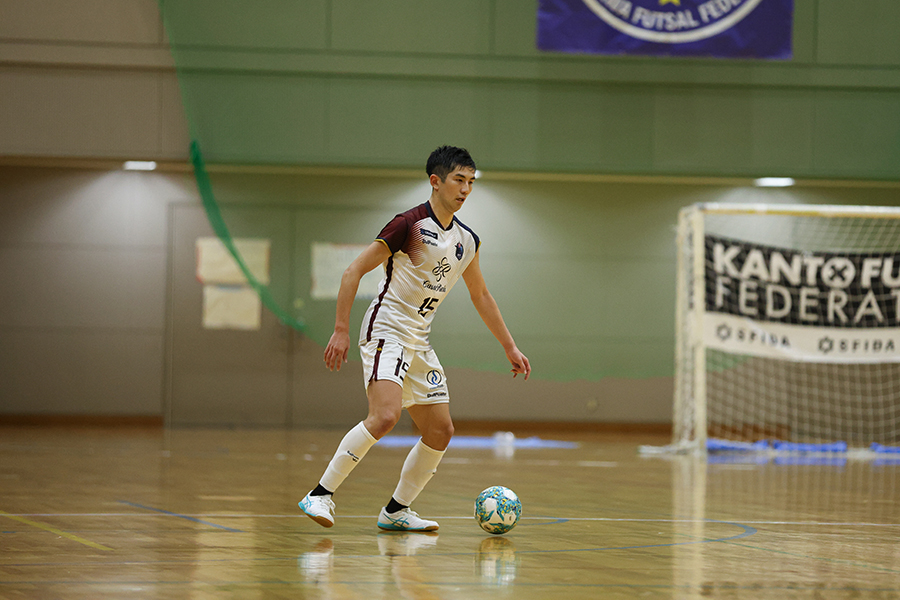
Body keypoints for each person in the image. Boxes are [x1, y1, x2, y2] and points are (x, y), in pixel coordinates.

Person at [299, 145, 531, 532]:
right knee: (385, 416)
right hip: (387, 329)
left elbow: (481, 295)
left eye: (471, 182)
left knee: (441, 430)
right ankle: (320, 494)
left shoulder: (467, 240)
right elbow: (352, 272)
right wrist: (340, 329)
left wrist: (509, 346)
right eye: (459, 180)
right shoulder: (408, 225)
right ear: (435, 181)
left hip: (419, 340)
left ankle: (396, 511)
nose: (465, 189)